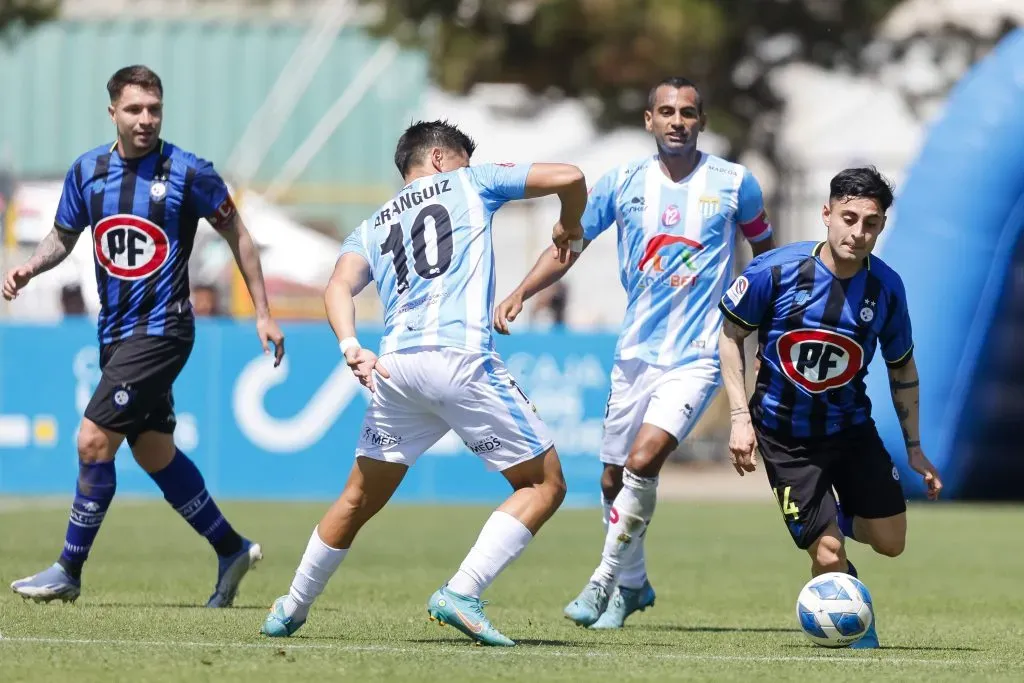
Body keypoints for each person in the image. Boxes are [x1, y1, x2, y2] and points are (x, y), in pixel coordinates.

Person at [260, 120, 586, 646]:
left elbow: (337, 286)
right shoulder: (471, 181)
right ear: (438, 158)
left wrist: (350, 347)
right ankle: (463, 591)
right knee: (544, 485)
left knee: (357, 498)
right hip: (459, 359)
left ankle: (291, 606)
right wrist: (569, 225)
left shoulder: (371, 226)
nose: (462, 165)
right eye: (458, 157)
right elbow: (570, 175)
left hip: (395, 368)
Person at [494, 76, 776, 629]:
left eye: (688, 112)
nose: (677, 121)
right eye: (666, 111)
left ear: (702, 121)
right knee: (611, 479)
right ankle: (635, 584)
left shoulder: (735, 183)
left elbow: (767, 257)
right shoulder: (621, 182)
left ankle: (602, 583)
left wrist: (769, 323)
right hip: (634, 352)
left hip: (699, 353)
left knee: (645, 461)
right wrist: (522, 290)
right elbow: (571, 244)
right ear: (649, 120)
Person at [3, 65, 285, 607]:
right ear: (113, 112)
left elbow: (240, 237)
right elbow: (64, 236)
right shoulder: (88, 172)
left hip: (164, 330)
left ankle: (68, 569)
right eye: (134, 109)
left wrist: (263, 312)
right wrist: (30, 268)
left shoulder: (188, 172)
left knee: (91, 439)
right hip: (115, 333)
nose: (146, 119)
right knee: (155, 452)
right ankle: (231, 548)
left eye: (154, 109)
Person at [717, 166, 943, 649]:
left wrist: (916, 448)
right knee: (827, 551)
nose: (858, 233)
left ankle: (830, 513)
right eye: (849, 217)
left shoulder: (886, 288)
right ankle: (853, 623)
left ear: (881, 227)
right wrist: (740, 419)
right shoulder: (773, 271)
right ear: (827, 214)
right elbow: (731, 336)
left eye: (871, 224)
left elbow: (902, 368)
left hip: (850, 429)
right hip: (784, 434)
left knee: (892, 543)